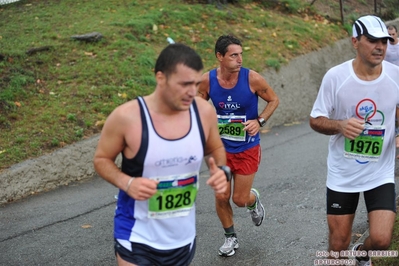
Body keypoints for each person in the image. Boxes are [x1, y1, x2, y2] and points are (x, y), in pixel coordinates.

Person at [93, 43, 230, 266]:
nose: (192, 92)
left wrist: (222, 171)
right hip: (136, 235)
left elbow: (215, 148)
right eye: (184, 84)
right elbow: (101, 159)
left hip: (182, 238)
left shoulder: (203, 112)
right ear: (160, 78)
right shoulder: (127, 117)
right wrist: (127, 183)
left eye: (196, 84)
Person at [309, 15, 398, 266]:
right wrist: (340, 125)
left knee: (381, 240)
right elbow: (315, 120)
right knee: (338, 245)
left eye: (384, 41)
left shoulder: (396, 76)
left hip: (380, 172)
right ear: (355, 42)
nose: (380, 46)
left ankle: (362, 253)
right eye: (372, 40)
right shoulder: (335, 77)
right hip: (343, 174)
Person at [197, 34, 279, 257]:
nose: (240, 59)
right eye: (234, 55)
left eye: (241, 54)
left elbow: (274, 100)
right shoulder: (207, 80)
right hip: (220, 150)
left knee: (239, 199)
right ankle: (230, 237)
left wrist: (259, 121)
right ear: (220, 57)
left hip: (247, 147)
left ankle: (253, 201)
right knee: (221, 196)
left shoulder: (252, 78)